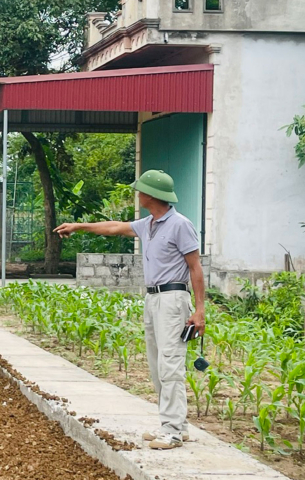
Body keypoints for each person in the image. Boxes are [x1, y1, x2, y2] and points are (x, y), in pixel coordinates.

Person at [54, 170, 205, 450]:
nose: (138, 194)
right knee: (158, 364)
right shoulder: (149, 224)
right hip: (153, 299)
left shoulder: (180, 225)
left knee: (170, 364)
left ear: (152, 195)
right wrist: (78, 226)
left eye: (141, 190)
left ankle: (171, 431)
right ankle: (177, 426)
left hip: (173, 299)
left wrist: (199, 310)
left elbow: (195, 268)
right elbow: (114, 228)